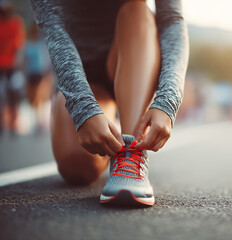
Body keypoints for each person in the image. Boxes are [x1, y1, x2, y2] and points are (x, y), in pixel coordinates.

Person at [29, 0, 189, 207]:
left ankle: (131, 153)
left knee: (137, 9)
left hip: (133, 54)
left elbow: (172, 21)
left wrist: (167, 102)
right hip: (82, 75)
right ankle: (114, 128)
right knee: (77, 167)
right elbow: (52, 25)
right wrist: (82, 108)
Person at [0, 1, 25, 136]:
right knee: (4, 95)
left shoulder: (15, 23)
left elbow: (18, 45)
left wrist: (19, 63)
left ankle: (13, 122)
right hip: (3, 66)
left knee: (14, 95)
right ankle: (3, 123)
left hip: (11, 66)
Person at [23, 22, 53, 135]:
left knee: (41, 98)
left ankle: (42, 122)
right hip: (31, 74)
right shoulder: (28, 45)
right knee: (34, 99)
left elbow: (47, 61)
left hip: (41, 75)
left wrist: (47, 74)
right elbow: (25, 62)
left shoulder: (43, 45)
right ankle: (38, 122)